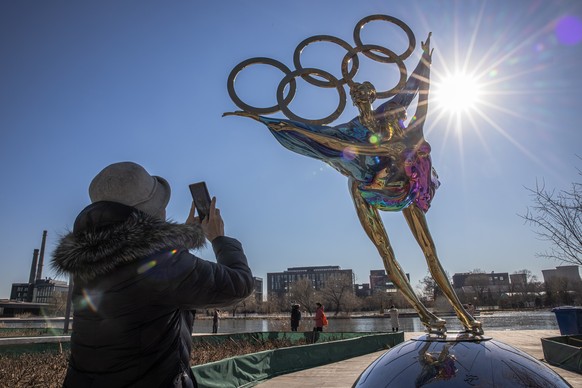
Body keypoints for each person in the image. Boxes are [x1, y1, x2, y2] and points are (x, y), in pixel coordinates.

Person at [51, 161, 253, 388]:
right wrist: (219, 239)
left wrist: (178, 241)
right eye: (161, 204)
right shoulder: (162, 264)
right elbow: (239, 284)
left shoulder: (88, 261)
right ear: (151, 212)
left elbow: (144, 283)